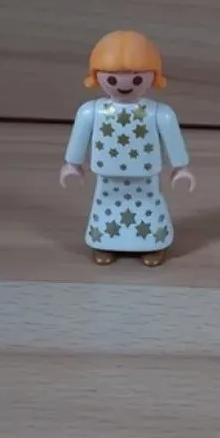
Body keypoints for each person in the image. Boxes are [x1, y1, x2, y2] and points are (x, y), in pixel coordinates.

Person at [60, 30, 195, 266]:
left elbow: (172, 138)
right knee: (105, 208)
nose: (124, 85)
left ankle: (153, 243)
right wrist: (72, 164)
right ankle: (105, 242)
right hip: (108, 178)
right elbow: (79, 138)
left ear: (153, 76)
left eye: (136, 79)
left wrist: (181, 167)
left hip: (146, 178)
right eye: (112, 79)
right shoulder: (91, 112)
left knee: (149, 208)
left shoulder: (159, 113)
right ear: (97, 76)